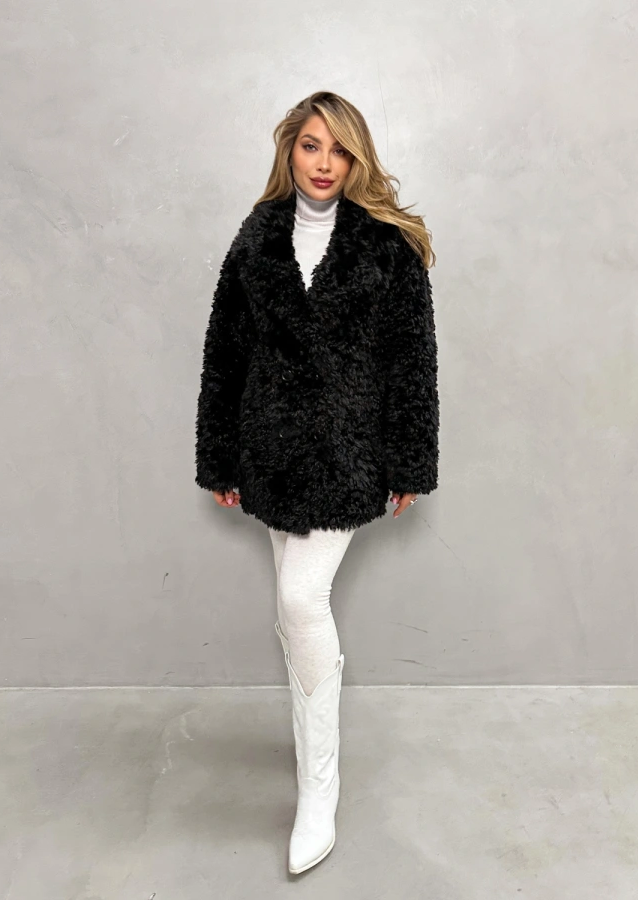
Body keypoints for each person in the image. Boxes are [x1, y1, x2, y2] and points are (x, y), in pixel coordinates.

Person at [194, 90, 439, 874]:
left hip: (344, 452)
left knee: (301, 600)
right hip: (268, 447)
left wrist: (410, 459)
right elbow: (225, 352)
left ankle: (319, 788)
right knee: (292, 608)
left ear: (356, 156)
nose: (324, 162)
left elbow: (412, 361)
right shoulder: (257, 237)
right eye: (310, 145)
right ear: (289, 150)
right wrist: (219, 454)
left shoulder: (387, 246)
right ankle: (311, 752)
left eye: (338, 148)